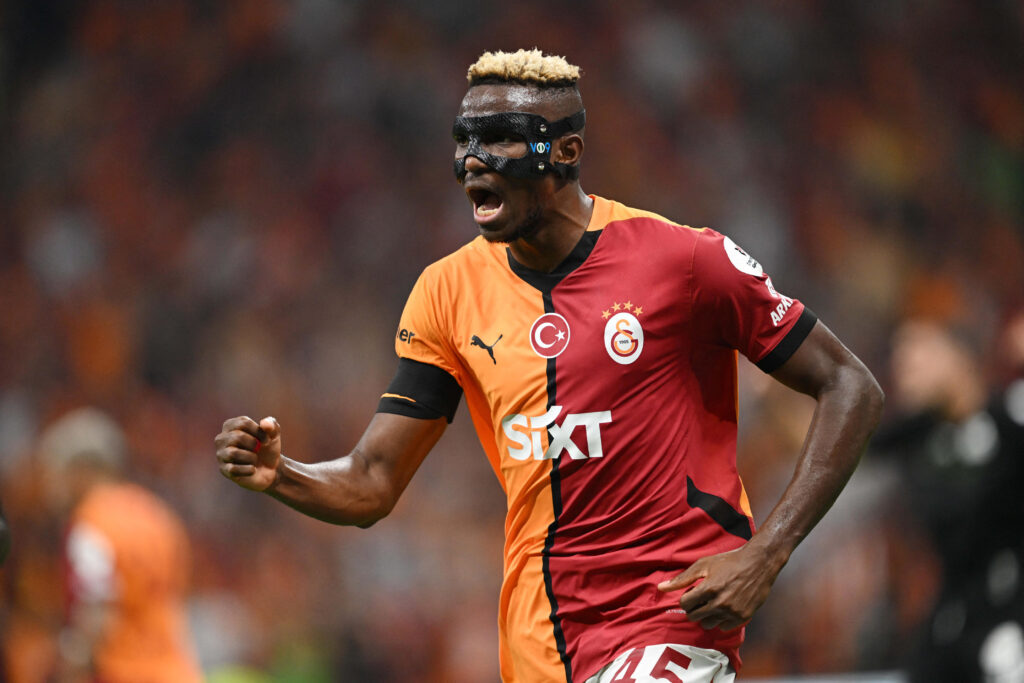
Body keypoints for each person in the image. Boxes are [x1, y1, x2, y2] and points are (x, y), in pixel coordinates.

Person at [215, 49, 884, 683]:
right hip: (540, 640)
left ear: (566, 152)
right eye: (463, 140)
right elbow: (372, 479)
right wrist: (283, 474)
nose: (473, 161)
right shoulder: (447, 293)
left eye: (499, 138)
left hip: (672, 617)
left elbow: (849, 383)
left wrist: (768, 553)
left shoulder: (684, 262)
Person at [873, 320, 1024, 682]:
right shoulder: (915, 438)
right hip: (955, 616)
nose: (904, 366)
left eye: (919, 352)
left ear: (961, 356)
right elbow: (838, 445)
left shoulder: (1011, 419)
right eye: (899, 357)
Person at [38, 407, 203, 683]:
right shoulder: (157, 512)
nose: (52, 487)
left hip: (124, 672)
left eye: (56, 473)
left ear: (81, 471)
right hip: (177, 671)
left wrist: (69, 669)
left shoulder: (91, 521)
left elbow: (96, 610)